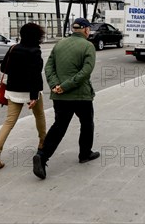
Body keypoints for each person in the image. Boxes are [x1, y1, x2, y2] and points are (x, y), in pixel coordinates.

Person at [33, 17, 99, 179]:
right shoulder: (88, 46)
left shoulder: (59, 44)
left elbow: (48, 67)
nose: (89, 31)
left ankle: (42, 156)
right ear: (85, 30)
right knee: (87, 123)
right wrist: (66, 86)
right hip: (81, 96)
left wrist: (56, 85)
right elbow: (85, 72)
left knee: (59, 126)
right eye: (88, 29)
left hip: (60, 96)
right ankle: (84, 154)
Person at [0, 23, 47, 170]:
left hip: (13, 91)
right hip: (31, 91)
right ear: (37, 36)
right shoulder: (35, 51)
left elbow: (3, 68)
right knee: (39, 115)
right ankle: (42, 143)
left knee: (9, 122)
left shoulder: (13, 48)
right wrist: (34, 96)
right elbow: (35, 75)